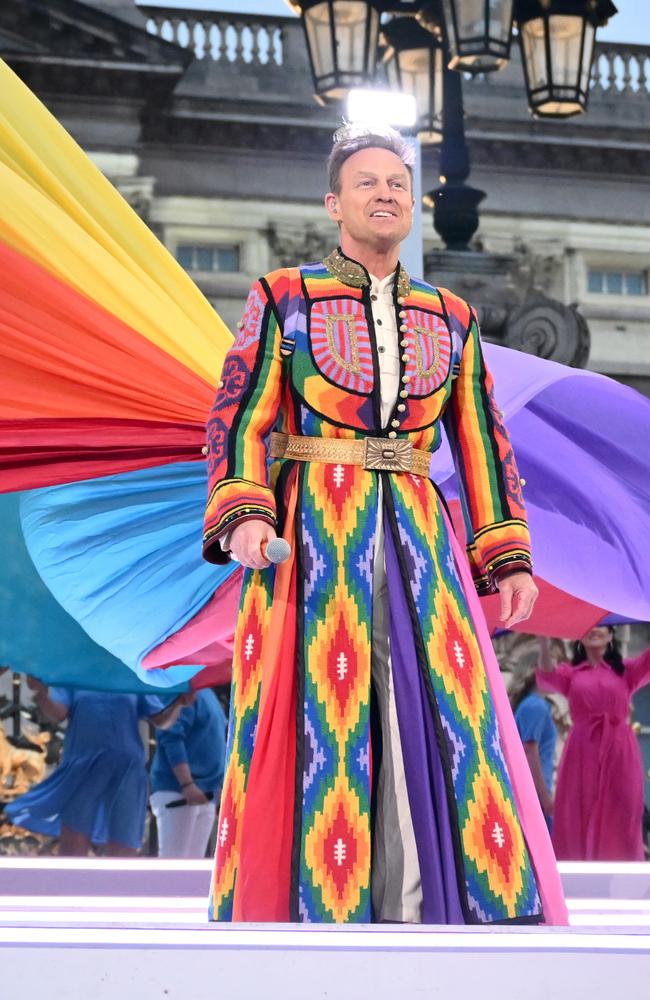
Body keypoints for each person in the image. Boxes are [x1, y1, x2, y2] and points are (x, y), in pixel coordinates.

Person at [202, 124, 566, 925]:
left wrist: (506, 555)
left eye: (398, 183)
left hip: (418, 526)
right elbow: (240, 416)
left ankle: (430, 903)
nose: (386, 193)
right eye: (367, 182)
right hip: (312, 529)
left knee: (439, 702)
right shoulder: (283, 296)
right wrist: (245, 519)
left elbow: (480, 440)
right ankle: (314, 908)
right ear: (335, 203)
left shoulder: (453, 315)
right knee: (319, 708)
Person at [5, 680, 190, 856]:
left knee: (124, 844)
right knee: (73, 848)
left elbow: (160, 720)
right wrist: (41, 693)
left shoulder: (129, 673)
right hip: (83, 766)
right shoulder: (76, 672)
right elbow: (57, 714)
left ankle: (118, 888)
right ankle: (71, 888)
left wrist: (180, 702)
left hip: (126, 770)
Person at [537, 627, 650, 860]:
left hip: (619, 749)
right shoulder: (572, 674)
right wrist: (543, 638)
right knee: (579, 808)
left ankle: (623, 878)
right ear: (579, 637)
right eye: (589, 627)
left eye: (602, 627)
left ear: (611, 636)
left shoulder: (625, 671)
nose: (595, 630)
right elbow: (547, 674)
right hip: (582, 750)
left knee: (623, 808)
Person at [150, 688, 227, 858]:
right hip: (178, 791)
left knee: (194, 869)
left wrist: (217, 785)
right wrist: (187, 783)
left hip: (206, 793)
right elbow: (171, 737)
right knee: (173, 868)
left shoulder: (208, 693)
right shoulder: (181, 690)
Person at [511, 671, 557, 828]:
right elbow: (530, 749)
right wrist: (544, 797)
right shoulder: (536, 707)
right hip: (534, 794)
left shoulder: (530, 704)